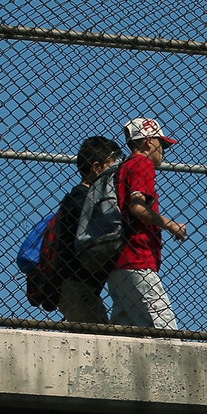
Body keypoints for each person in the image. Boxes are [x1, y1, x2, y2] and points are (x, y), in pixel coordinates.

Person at [107, 117, 189, 330]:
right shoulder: (142, 164)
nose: (163, 151)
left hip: (118, 264)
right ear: (148, 142)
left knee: (124, 333)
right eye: (162, 144)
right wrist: (171, 225)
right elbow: (137, 207)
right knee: (165, 328)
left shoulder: (123, 167)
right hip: (137, 259)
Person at [53, 135, 123, 324]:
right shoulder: (82, 201)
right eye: (112, 167)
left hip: (80, 285)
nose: (116, 175)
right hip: (75, 285)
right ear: (96, 168)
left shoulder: (84, 199)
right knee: (97, 337)